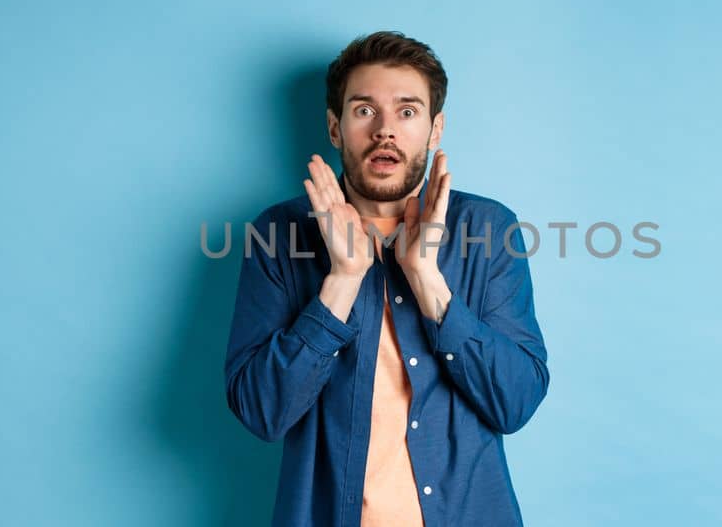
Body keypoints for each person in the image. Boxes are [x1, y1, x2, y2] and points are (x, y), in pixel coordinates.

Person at [224, 31, 550, 526]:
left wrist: (427, 279)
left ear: (435, 129)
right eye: (363, 110)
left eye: (407, 111)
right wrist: (342, 280)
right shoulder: (279, 233)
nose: (385, 131)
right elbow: (261, 412)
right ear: (335, 127)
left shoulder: (489, 230)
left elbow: (516, 402)